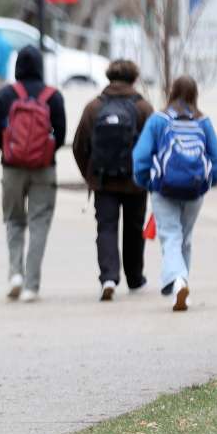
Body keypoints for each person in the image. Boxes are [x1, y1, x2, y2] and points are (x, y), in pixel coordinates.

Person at [131, 76, 217, 311]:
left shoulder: (158, 121)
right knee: (185, 238)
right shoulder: (203, 122)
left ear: (171, 92)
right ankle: (180, 285)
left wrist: (145, 181)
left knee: (170, 236)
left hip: (163, 189)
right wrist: (208, 181)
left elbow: (140, 157)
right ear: (195, 94)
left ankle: (178, 281)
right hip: (195, 190)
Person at [0, 45, 67, 302]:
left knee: (14, 220)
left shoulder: (6, 95)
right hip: (44, 169)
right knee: (39, 222)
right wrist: (44, 152)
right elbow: (62, 134)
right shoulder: (53, 96)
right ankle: (32, 285)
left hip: (11, 168)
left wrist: (10, 150)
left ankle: (15, 275)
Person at [73, 59, 154, 300]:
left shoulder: (93, 108)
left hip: (103, 181)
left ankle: (108, 277)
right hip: (135, 181)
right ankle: (135, 279)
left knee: (106, 228)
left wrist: (90, 174)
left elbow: (79, 145)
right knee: (133, 229)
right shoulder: (143, 108)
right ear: (134, 79)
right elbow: (155, 145)